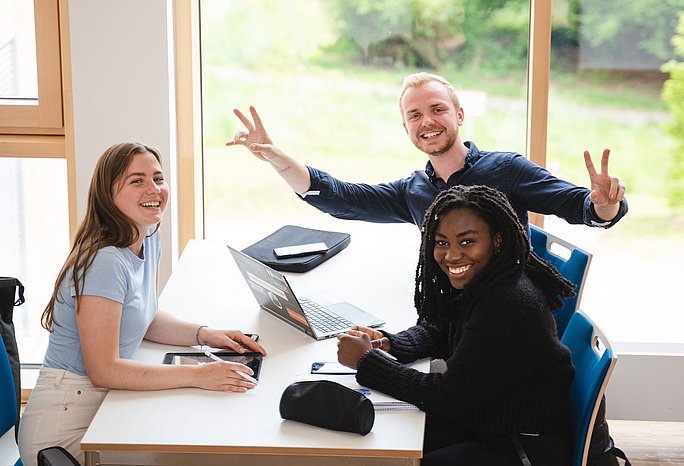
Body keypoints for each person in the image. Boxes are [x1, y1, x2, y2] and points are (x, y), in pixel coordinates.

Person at [18, 142, 267, 466]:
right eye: (137, 180)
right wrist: (199, 374)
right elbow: (104, 370)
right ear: (108, 194)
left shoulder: (146, 237)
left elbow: (141, 315)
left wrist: (205, 335)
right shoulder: (104, 261)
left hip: (103, 403)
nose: (154, 189)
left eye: (158, 178)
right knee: (195, 454)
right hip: (66, 426)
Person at [337, 184, 576, 466]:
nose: (451, 255)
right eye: (442, 243)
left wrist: (368, 361)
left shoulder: (505, 304)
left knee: (387, 453)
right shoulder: (489, 280)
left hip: (520, 447)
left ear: (497, 241)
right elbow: (444, 328)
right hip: (489, 417)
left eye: (466, 242)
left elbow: (447, 398)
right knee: (382, 438)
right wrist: (392, 343)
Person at [227, 72, 627, 231]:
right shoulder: (413, 191)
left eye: (437, 109)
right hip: (445, 313)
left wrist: (605, 204)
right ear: (406, 128)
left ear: (459, 114)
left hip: (505, 317)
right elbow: (337, 197)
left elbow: (584, 208)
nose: (428, 122)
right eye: (415, 115)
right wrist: (276, 157)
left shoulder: (506, 169)